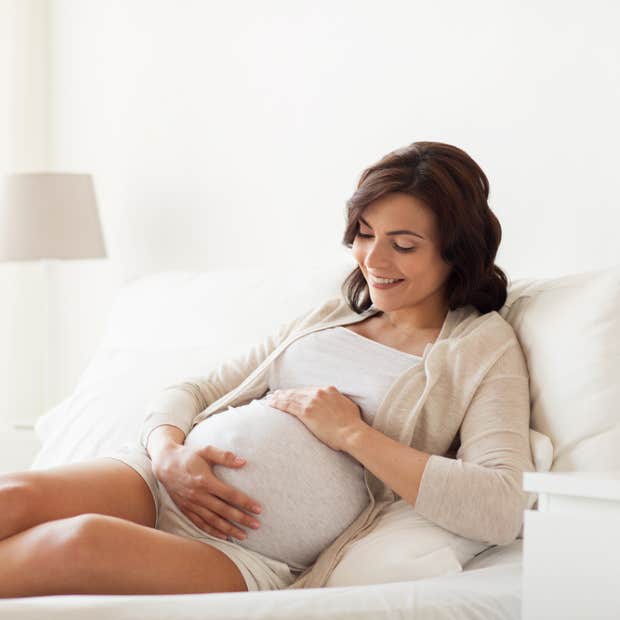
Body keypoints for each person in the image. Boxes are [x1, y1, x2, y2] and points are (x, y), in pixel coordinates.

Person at [0, 141, 535, 597]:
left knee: (78, 542)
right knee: (14, 495)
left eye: (403, 245)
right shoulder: (330, 316)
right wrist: (168, 453)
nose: (373, 259)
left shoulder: (480, 348)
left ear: (456, 252)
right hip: (161, 483)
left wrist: (350, 433)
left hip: (244, 552)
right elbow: (195, 387)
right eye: (365, 234)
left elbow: (500, 506)